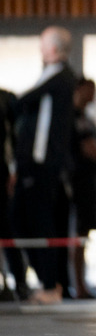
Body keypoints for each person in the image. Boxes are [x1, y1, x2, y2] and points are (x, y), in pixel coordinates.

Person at [10, 26, 77, 304]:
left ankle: (51, 284)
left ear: (54, 49)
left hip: (44, 165)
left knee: (42, 223)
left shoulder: (62, 77)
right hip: (31, 164)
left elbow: (26, 99)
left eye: (43, 44)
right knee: (22, 221)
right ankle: (47, 281)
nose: (40, 49)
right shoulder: (50, 75)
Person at [69, 78, 96, 299]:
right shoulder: (70, 118)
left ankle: (81, 284)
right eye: (89, 90)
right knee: (76, 234)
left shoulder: (87, 120)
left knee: (85, 235)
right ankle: (76, 285)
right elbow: (87, 148)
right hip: (76, 182)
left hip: (91, 181)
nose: (93, 95)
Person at [0, 86, 29, 302]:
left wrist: (14, 170)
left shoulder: (6, 99)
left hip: (3, 173)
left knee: (7, 228)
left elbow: (15, 138)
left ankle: (19, 281)